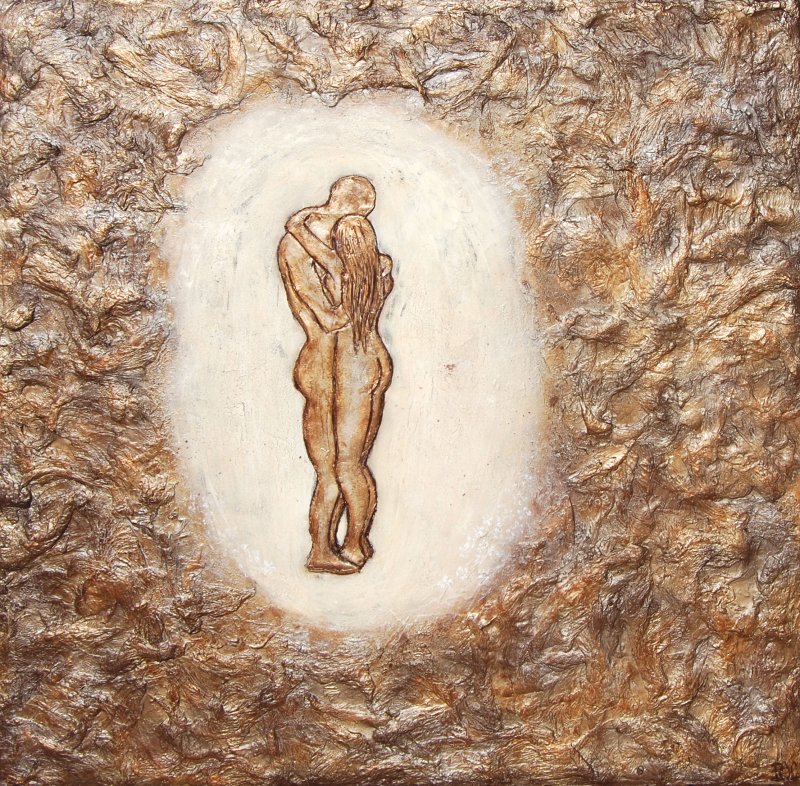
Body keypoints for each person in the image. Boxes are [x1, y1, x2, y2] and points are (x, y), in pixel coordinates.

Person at [277, 177, 393, 573]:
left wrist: (298, 228)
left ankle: (334, 547)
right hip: (369, 361)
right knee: (350, 464)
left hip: (344, 367)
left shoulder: (311, 252)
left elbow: (328, 316)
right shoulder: (378, 265)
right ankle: (351, 545)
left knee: (337, 468)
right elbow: (343, 270)